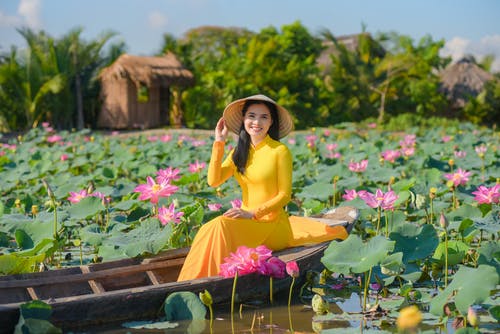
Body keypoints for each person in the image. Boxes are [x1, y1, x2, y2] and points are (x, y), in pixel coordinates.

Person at [177, 94, 348, 281]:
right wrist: (219, 142)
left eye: (263, 117)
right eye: (251, 116)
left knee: (219, 226)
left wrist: (253, 213)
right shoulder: (239, 152)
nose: (256, 122)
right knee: (208, 228)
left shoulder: (279, 151)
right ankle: (191, 281)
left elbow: (284, 195)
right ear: (244, 119)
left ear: (271, 122)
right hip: (246, 223)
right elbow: (213, 181)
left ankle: (206, 281)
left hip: (272, 226)